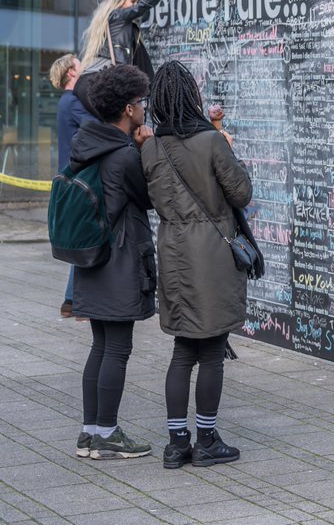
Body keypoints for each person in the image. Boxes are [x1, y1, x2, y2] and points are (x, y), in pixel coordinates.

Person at [142, 61, 251, 469]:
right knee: (211, 351)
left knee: (182, 349)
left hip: (172, 251)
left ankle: (175, 444)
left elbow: (149, 197)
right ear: (192, 96)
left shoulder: (151, 147)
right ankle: (206, 439)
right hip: (212, 254)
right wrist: (229, 147)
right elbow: (240, 193)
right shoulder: (211, 141)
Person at [69, 64, 156, 460]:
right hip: (119, 261)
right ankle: (107, 433)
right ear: (127, 108)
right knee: (117, 348)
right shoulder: (122, 155)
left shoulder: (87, 144)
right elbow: (149, 196)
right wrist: (144, 148)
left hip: (91, 260)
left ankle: (90, 432)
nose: (143, 109)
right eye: (140, 102)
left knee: (100, 346)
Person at [75, 0, 192, 116]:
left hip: (92, 82)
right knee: (120, 125)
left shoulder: (113, 19)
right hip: (101, 83)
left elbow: (140, 12)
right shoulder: (117, 15)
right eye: (132, 1)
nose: (135, 5)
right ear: (120, 1)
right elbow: (143, 7)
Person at [49, 53, 94, 318]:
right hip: (78, 179)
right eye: (80, 65)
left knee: (82, 239)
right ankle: (74, 303)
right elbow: (95, 125)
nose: (84, 68)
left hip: (71, 179)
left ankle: (71, 301)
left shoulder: (66, 102)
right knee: (85, 241)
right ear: (71, 73)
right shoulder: (72, 102)